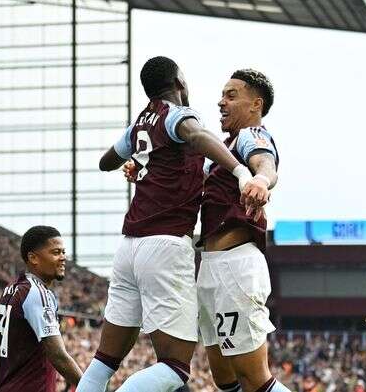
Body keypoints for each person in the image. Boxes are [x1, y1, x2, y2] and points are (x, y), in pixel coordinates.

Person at [76, 56, 269, 392]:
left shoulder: (140, 124)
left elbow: (106, 162)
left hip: (128, 249)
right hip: (164, 246)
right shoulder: (178, 115)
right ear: (179, 82)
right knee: (174, 368)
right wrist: (240, 172)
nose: (221, 101)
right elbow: (196, 136)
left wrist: (144, 160)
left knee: (104, 360)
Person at [197, 69, 289, 392]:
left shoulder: (252, 134)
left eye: (231, 95)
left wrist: (261, 181)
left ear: (256, 104)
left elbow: (266, 163)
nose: (221, 102)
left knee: (255, 380)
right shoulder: (223, 149)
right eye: (222, 95)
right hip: (209, 270)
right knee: (225, 381)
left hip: (235, 267)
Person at [0, 226, 82, 392]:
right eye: (56, 252)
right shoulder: (37, 293)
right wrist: (93, 387)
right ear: (33, 258)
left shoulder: (12, 289)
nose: (63, 257)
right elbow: (58, 355)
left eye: (63, 252)